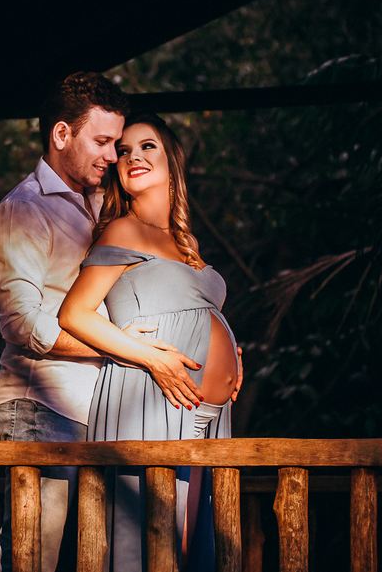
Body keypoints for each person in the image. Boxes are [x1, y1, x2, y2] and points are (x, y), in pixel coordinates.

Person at [0, 75, 204, 572]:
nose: (113, 155)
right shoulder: (25, 208)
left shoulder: (106, 204)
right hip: (42, 404)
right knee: (31, 558)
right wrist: (117, 348)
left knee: (92, 558)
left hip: (104, 411)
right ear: (62, 135)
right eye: (102, 142)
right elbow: (21, 322)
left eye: (118, 143)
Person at [58, 112, 241, 572]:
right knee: (144, 547)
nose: (132, 156)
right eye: (123, 151)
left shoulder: (186, 241)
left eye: (147, 147)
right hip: (150, 397)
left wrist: (230, 356)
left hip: (208, 412)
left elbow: (201, 312)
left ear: (171, 161)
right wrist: (150, 358)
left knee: (189, 545)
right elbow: (74, 314)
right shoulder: (123, 229)